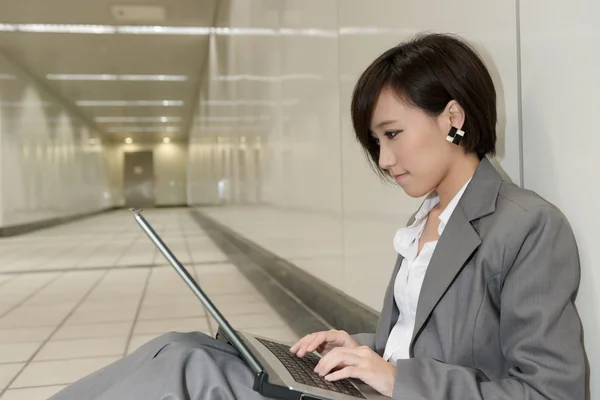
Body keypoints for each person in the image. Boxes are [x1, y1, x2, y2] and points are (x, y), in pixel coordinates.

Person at [49, 32, 586, 400]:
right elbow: (420, 341)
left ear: (452, 116)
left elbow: (550, 391)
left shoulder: (526, 225)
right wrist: (361, 349)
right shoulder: (430, 217)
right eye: (375, 142)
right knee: (183, 345)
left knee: (192, 371)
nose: (384, 160)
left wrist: (397, 379)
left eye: (392, 134)